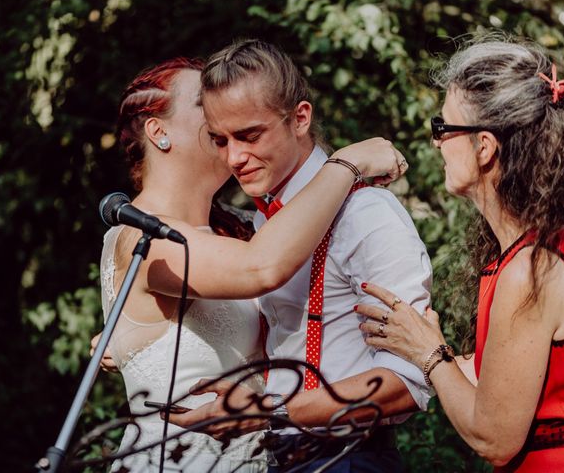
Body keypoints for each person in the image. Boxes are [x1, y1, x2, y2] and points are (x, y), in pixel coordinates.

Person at [97, 56, 407, 472]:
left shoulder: (247, 227)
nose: (219, 112)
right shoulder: (142, 236)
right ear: (159, 131)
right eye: (204, 106)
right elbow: (261, 268)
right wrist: (348, 164)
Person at [168, 39, 433, 472]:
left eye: (250, 135)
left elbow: (409, 380)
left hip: (352, 455)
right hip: (283, 455)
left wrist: (271, 409)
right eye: (220, 140)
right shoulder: (264, 224)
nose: (234, 157)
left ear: (300, 118)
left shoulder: (366, 213)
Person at [355, 37, 564, 472]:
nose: (436, 143)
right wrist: (430, 353)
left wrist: (430, 352)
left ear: (484, 146)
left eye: (443, 129)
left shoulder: (530, 270)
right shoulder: (538, 250)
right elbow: (513, 382)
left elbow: (495, 437)